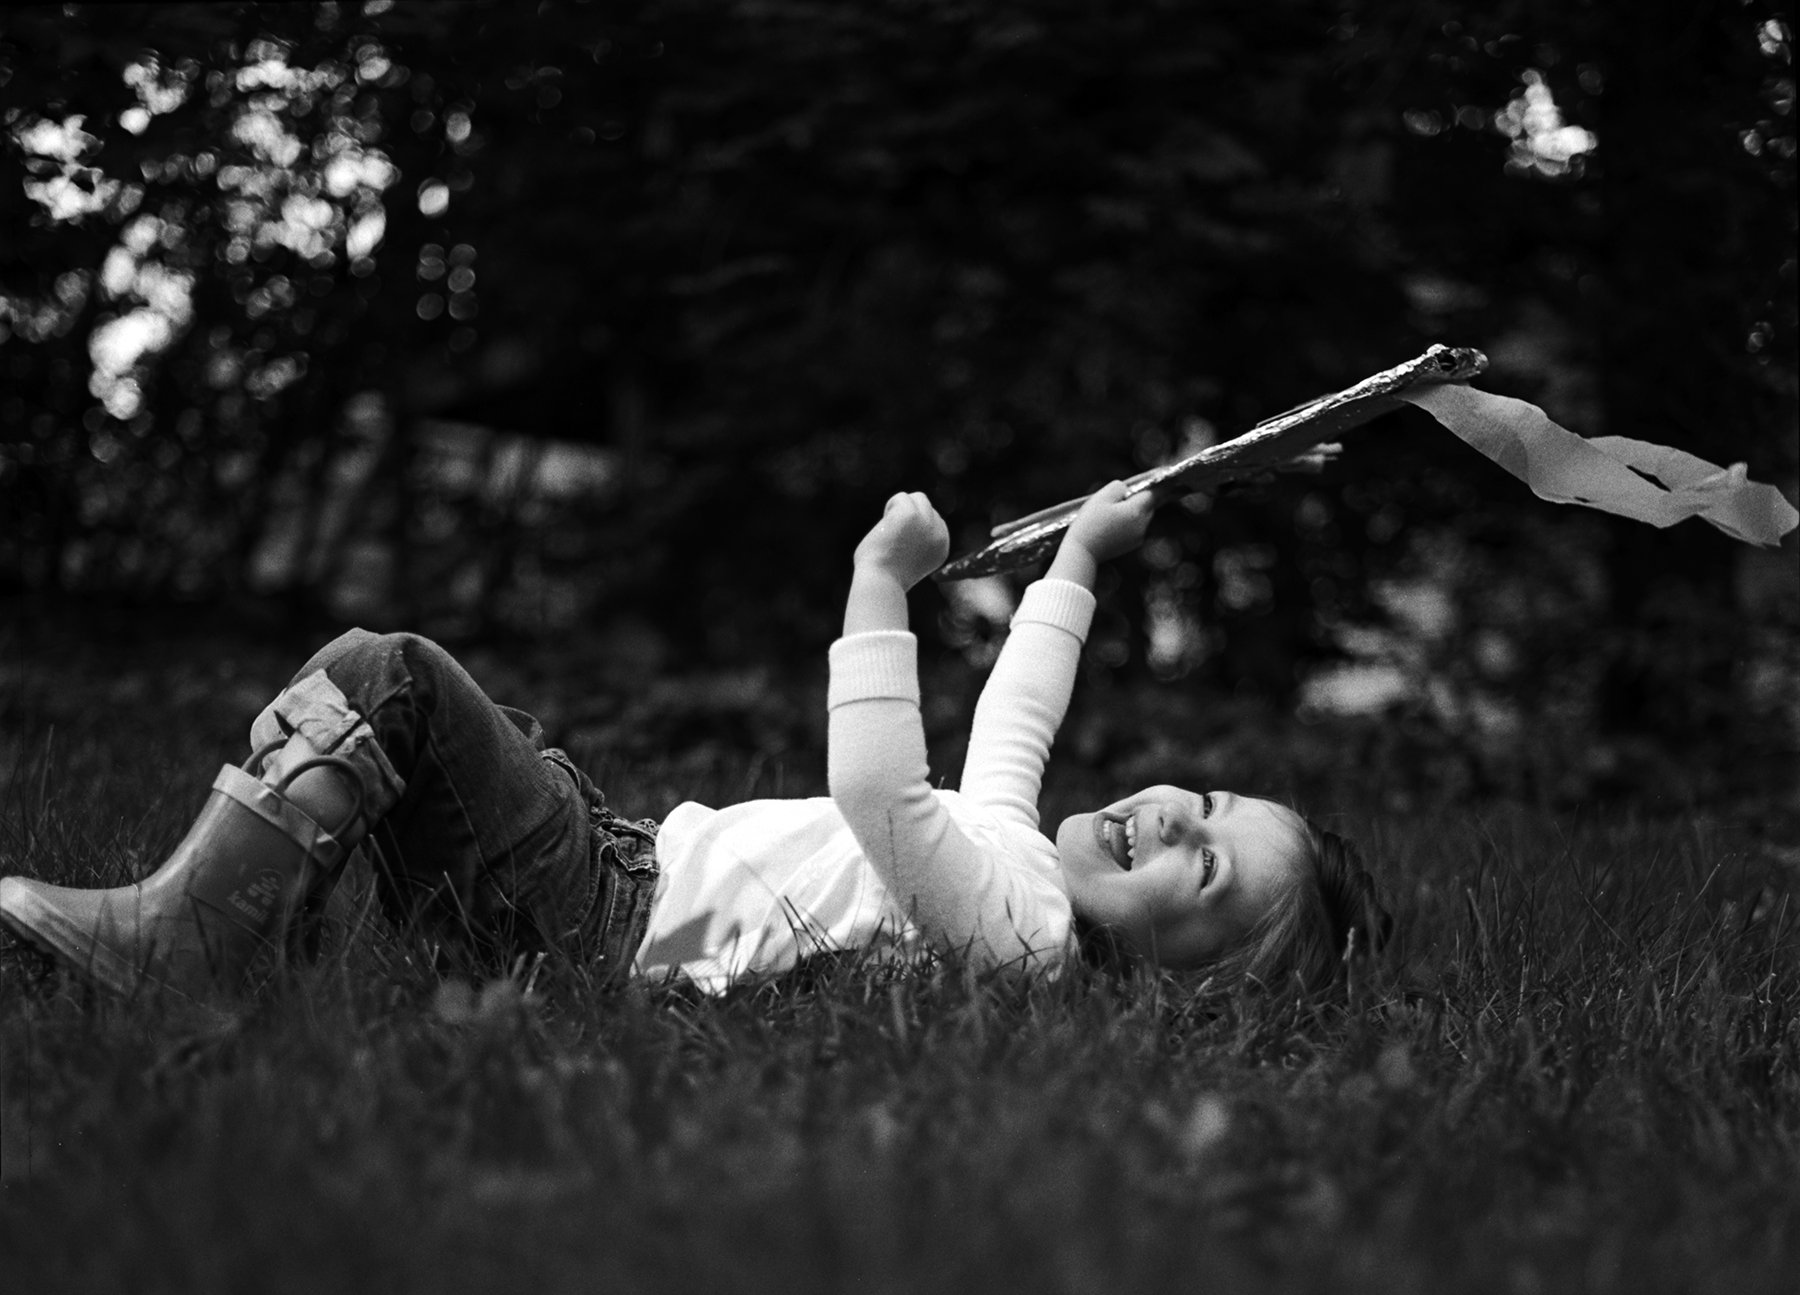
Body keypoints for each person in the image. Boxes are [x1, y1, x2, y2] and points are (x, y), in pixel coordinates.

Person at [0, 483, 1389, 1002]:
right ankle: (252, 931)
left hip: (602, 921)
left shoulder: (1020, 931)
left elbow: (877, 785)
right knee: (488, 751)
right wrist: (1082, 551)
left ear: (1180, 986)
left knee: (395, 678)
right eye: (1206, 798)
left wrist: (879, 582)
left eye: (1202, 869)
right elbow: (1017, 715)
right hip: (605, 872)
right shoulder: (1021, 862)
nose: (1173, 817)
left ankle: (189, 941)